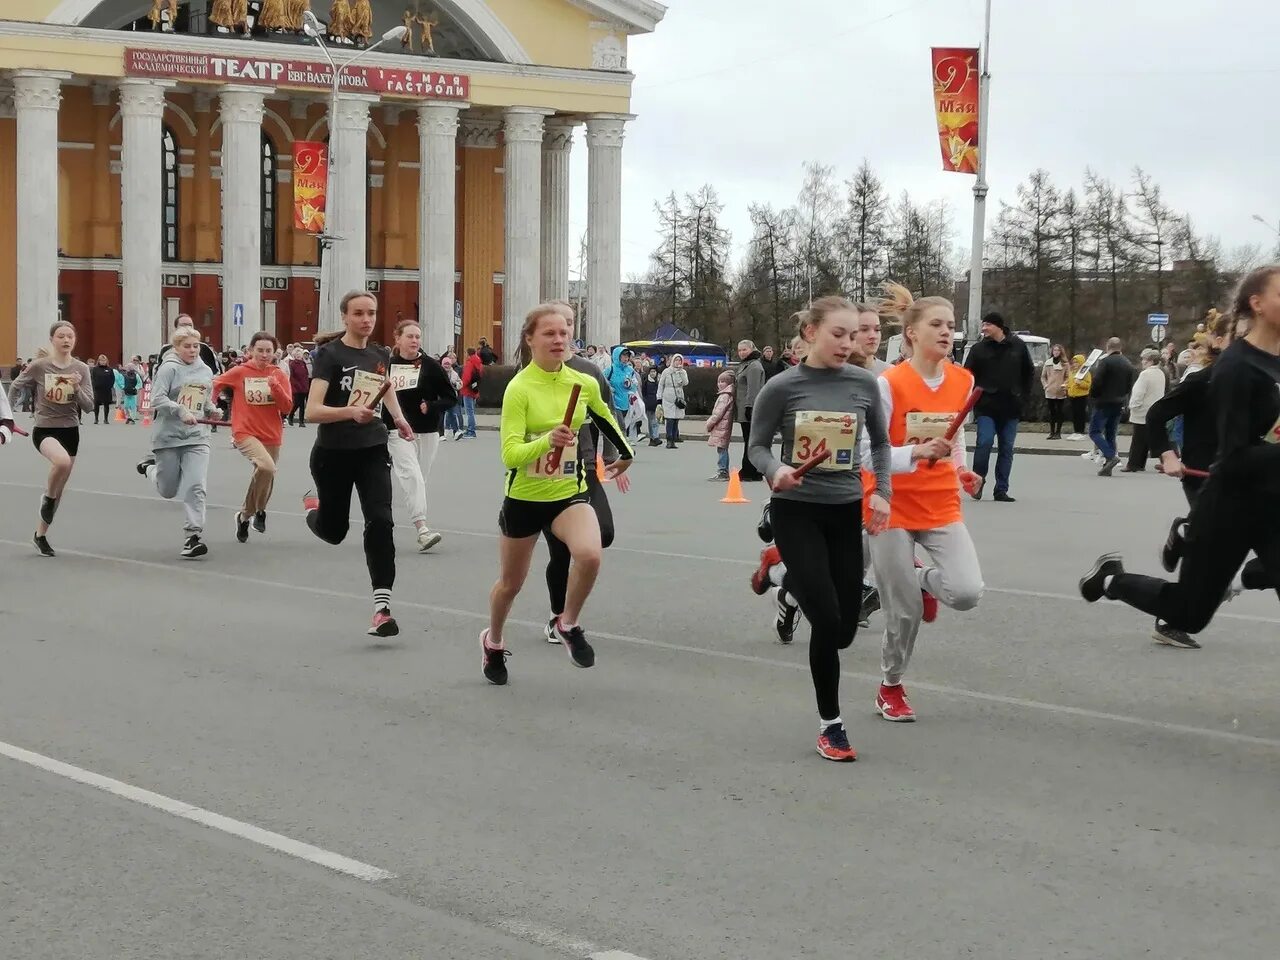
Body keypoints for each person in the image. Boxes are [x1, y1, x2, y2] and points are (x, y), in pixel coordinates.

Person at [1080, 265, 1280, 635]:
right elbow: (1235, 457)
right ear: (1258, 304)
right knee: (1188, 614)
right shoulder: (1235, 369)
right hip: (1229, 507)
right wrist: (1167, 452)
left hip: (1273, 504)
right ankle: (1112, 580)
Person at [748, 297, 892, 762]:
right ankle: (832, 726)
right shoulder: (782, 387)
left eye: (854, 335)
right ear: (810, 332)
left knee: (845, 630)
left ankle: (786, 586)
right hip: (796, 511)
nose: (848, 344)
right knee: (828, 623)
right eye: (838, 334)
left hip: (845, 510)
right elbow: (755, 446)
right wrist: (776, 470)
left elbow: (883, 444)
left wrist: (882, 492)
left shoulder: (864, 384)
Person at [481, 303, 633, 685]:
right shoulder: (519, 388)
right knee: (510, 585)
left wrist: (626, 454)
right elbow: (510, 454)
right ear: (530, 339)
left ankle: (568, 623)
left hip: (569, 491)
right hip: (525, 498)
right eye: (549, 333)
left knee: (590, 554)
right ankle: (493, 641)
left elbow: (605, 418)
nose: (559, 339)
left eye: (564, 332)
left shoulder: (582, 383)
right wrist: (546, 440)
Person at [865, 284, 984, 721]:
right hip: (889, 503)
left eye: (951, 326)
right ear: (912, 333)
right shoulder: (889, 384)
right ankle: (891, 686)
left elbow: (954, 437)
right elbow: (867, 451)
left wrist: (961, 469)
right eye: (936, 324)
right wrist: (914, 453)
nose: (947, 332)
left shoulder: (963, 380)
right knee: (904, 611)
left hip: (940, 504)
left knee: (967, 592)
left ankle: (918, 576)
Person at [302, 292, 417, 637]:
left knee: (381, 521)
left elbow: (385, 387)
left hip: (372, 447)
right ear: (345, 317)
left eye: (371, 313)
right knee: (334, 532)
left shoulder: (380, 354)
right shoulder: (329, 355)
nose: (366, 319)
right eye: (358, 314)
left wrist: (398, 418)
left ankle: (382, 608)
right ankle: (313, 511)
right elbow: (311, 412)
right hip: (333, 453)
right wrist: (350, 412)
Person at [540, 300, 630, 647]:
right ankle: (557, 616)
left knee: (602, 533)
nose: (565, 330)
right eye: (559, 323)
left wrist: (616, 457)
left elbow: (608, 416)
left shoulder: (588, 370)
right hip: (544, 475)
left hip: (582, 468)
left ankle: (564, 612)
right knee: (559, 553)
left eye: (571, 323)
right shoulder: (532, 372)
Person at [7, 322, 94, 557]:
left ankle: (40, 535)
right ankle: (47, 496)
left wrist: (76, 388)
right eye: (61, 336)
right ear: (52, 339)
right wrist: (8, 415)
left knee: (60, 487)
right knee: (62, 463)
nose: (66, 340)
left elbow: (88, 407)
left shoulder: (81, 369)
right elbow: (16, 386)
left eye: (70, 336)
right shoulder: (40, 366)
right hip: (45, 429)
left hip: (71, 430)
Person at [137, 327, 215, 559]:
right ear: (176, 348)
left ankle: (193, 535)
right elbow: (157, 399)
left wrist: (212, 410)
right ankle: (150, 468)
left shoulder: (205, 370)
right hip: (169, 436)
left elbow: (205, 399)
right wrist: (179, 410)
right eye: (187, 346)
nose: (192, 350)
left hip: (197, 437)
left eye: (195, 346)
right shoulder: (169, 368)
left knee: (196, 485)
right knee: (168, 490)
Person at [212, 332, 294, 543]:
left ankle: (245, 516)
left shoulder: (279, 374)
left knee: (265, 475)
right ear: (250, 351)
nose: (264, 355)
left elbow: (287, 407)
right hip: (245, 431)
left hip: (272, 433)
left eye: (269, 351)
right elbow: (214, 384)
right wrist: (209, 406)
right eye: (260, 350)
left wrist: (274, 386)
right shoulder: (240, 372)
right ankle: (258, 511)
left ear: (275, 353)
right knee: (267, 467)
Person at [385, 319, 457, 553]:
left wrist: (432, 406)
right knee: (412, 476)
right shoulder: (387, 365)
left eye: (417, 337)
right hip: (396, 431)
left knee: (419, 479)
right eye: (410, 336)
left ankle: (406, 510)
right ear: (397, 338)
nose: (415, 341)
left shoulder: (430, 366)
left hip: (426, 431)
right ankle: (423, 531)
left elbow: (450, 397)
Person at [963, 312, 1034, 502]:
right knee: (984, 443)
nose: (984, 328)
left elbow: (1029, 372)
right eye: (983, 325)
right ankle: (978, 482)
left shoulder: (1017, 346)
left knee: (1006, 448)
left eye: (987, 325)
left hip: (1011, 407)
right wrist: (971, 398)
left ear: (999, 326)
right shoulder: (979, 349)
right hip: (986, 406)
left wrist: (1023, 397)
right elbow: (967, 375)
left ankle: (1001, 489)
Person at [1087, 337, 1136, 477]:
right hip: (1119, 401)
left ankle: (1110, 456)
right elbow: (1129, 385)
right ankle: (1107, 466)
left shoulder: (1105, 362)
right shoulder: (1128, 363)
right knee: (1111, 433)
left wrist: (1093, 395)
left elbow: (1097, 381)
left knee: (1094, 432)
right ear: (1120, 348)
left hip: (1103, 402)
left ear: (1108, 347)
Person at [1121, 348, 1166, 472]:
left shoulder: (1145, 374)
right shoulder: (1160, 373)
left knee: (1138, 440)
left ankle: (1134, 464)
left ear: (1150, 361)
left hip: (1142, 410)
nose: (1142, 361)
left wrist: (1133, 406)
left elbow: (1138, 393)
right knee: (1150, 438)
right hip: (1155, 409)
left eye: (1144, 359)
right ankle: (1143, 463)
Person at [735, 339, 766, 481]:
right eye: (740, 350)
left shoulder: (753, 366)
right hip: (744, 407)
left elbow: (753, 389)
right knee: (749, 440)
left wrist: (749, 407)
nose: (741, 353)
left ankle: (750, 470)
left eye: (744, 350)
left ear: (752, 349)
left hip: (750, 408)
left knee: (750, 440)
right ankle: (752, 469)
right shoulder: (746, 365)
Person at [157, 314, 222, 375]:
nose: (187, 327)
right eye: (183, 325)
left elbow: (216, 372)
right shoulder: (166, 349)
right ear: (176, 328)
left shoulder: (204, 348)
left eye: (190, 325)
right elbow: (157, 373)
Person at [704, 370, 735, 480]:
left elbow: (718, 413)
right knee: (722, 448)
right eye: (719, 381)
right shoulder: (727, 394)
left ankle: (722, 471)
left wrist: (709, 424)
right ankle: (723, 470)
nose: (720, 384)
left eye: (723, 382)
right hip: (723, 426)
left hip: (722, 426)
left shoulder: (724, 396)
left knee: (722, 449)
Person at [657, 353, 689, 448]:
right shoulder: (666, 371)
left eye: (679, 360)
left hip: (678, 395)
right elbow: (661, 384)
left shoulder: (683, 372)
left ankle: (674, 438)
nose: (678, 362)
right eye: (676, 360)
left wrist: (681, 372)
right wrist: (659, 397)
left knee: (676, 419)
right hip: (668, 395)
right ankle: (669, 439)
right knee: (669, 419)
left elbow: (686, 383)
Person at [1041, 343, 1069, 440]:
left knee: (1059, 412)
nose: (1056, 352)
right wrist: (1045, 386)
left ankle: (1058, 432)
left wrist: (1065, 384)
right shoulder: (1048, 363)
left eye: (1058, 350)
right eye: (1054, 350)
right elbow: (1043, 376)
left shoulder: (1065, 364)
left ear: (1061, 352)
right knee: (1052, 413)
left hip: (1060, 391)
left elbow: (1068, 377)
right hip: (1050, 391)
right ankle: (1052, 432)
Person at [1065, 353, 1091, 441]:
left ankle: (1081, 432)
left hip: (1081, 396)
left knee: (1080, 414)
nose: (1075, 364)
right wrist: (1066, 386)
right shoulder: (1072, 372)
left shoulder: (1085, 373)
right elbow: (1070, 382)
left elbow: (1088, 385)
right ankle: (1076, 431)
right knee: (1074, 415)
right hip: (1072, 396)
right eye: (1074, 362)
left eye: (1077, 362)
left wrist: (1080, 383)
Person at [458, 346, 483, 439]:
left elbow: (466, 377)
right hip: (474, 389)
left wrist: (461, 385)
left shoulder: (470, 363)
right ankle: (471, 429)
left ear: (468, 353)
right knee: (471, 411)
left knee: (469, 412)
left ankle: (471, 431)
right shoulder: (478, 362)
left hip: (467, 390)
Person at [441, 355, 465, 440]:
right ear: (442, 364)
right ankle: (441, 434)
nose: (447, 366)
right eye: (445, 364)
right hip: (441, 397)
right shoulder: (439, 372)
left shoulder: (454, 373)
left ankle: (456, 432)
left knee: (453, 414)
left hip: (452, 397)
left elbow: (460, 383)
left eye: (448, 364)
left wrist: (455, 384)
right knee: (441, 415)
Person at [287, 346, 310, 426]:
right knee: (297, 403)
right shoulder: (292, 364)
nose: (299, 356)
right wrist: (296, 385)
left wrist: (306, 385)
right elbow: (292, 377)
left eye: (300, 354)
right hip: (296, 387)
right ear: (294, 355)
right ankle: (290, 416)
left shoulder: (303, 363)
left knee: (302, 405)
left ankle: (301, 422)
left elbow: (306, 374)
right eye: (297, 355)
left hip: (304, 387)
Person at [90, 354, 115, 424]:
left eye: (104, 360)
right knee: (96, 404)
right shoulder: (95, 369)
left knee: (106, 404)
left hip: (107, 390)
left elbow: (112, 379)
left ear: (106, 361)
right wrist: (95, 386)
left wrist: (110, 386)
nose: (103, 362)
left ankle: (106, 419)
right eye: (101, 360)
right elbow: (92, 378)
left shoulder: (109, 369)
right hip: (98, 390)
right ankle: (96, 418)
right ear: (99, 361)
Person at [640, 363, 661, 446]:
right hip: (649, 404)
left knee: (656, 421)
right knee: (651, 421)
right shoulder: (646, 382)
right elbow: (644, 393)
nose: (653, 373)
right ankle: (653, 438)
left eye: (654, 372)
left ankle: (655, 437)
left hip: (657, 403)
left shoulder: (658, 382)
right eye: (651, 372)